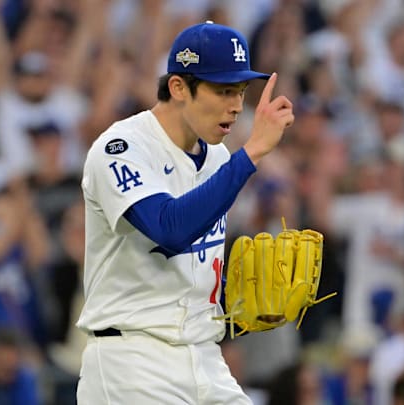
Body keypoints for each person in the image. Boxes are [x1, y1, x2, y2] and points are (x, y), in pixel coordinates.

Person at [75, 20, 294, 404]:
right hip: (132, 361)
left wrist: (243, 304)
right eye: (224, 90)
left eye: (241, 91)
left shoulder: (218, 158)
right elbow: (169, 229)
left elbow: (187, 270)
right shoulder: (121, 148)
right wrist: (252, 153)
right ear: (178, 87)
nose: (237, 106)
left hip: (205, 356)